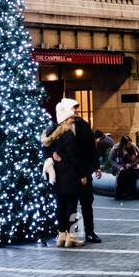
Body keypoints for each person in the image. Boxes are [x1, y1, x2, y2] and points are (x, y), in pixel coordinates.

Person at [43, 99, 85, 248]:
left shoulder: (52, 134)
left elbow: (47, 152)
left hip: (57, 177)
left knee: (60, 205)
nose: (73, 120)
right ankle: (72, 236)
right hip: (70, 176)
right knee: (72, 208)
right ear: (65, 119)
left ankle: (62, 235)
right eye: (71, 118)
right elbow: (75, 157)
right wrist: (82, 175)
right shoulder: (67, 135)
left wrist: (54, 155)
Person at [72, 111, 102, 244]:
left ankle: (88, 232)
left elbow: (90, 148)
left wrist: (96, 167)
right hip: (70, 172)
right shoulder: (61, 127)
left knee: (86, 203)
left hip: (82, 170)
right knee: (72, 205)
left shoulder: (83, 126)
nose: (75, 112)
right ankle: (74, 234)